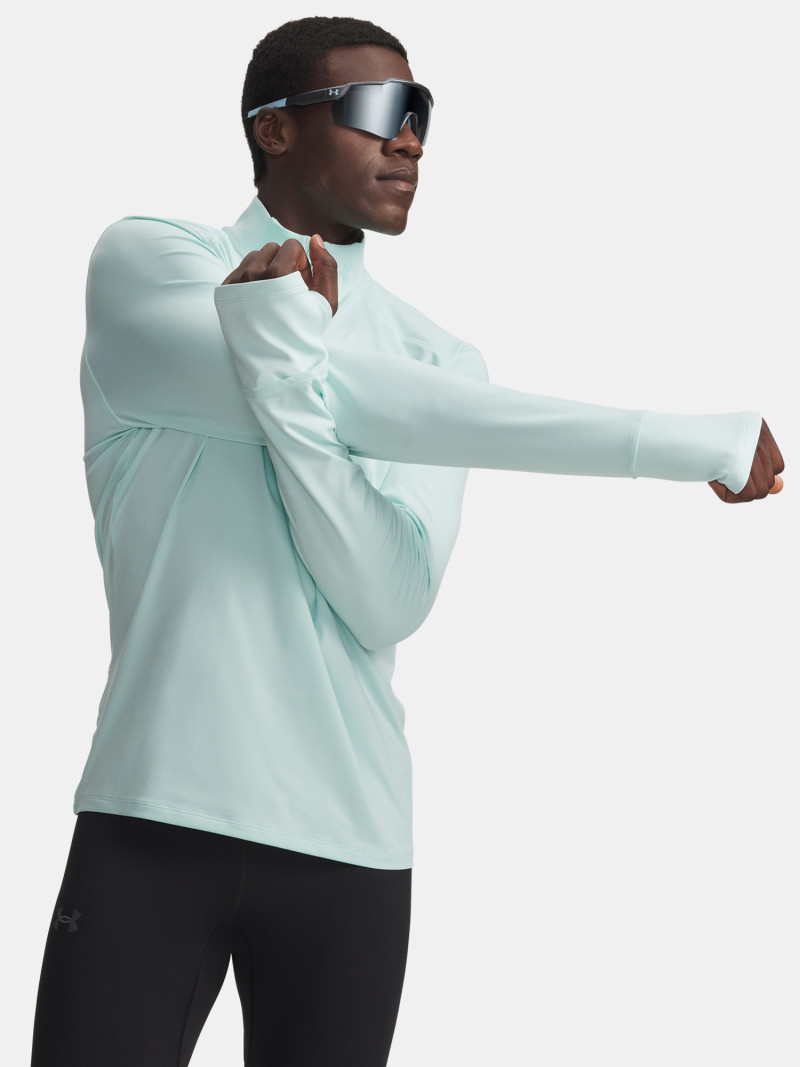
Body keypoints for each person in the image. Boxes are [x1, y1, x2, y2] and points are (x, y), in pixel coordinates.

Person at [29, 14, 784, 1067]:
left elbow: (385, 599)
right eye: (379, 109)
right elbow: (363, 400)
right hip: (154, 814)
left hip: (351, 839)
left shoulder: (440, 360)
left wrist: (277, 357)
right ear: (273, 127)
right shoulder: (153, 260)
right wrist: (683, 441)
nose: (411, 140)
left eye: (420, 112)